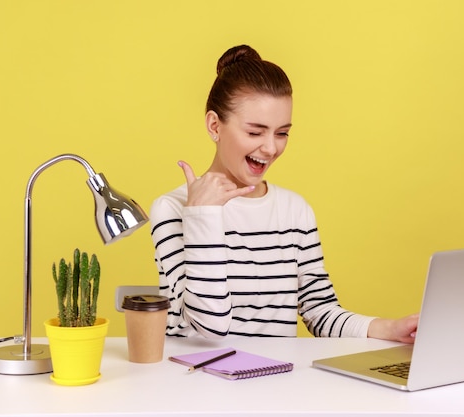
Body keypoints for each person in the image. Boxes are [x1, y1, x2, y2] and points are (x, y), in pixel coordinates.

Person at [150, 45, 418, 342]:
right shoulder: (171, 209)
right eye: (255, 132)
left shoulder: (294, 210)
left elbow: (320, 311)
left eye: (282, 133)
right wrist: (203, 215)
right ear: (215, 125)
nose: (270, 148)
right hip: (193, 380)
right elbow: (210, 325)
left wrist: (392, 329)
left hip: (274, 380)